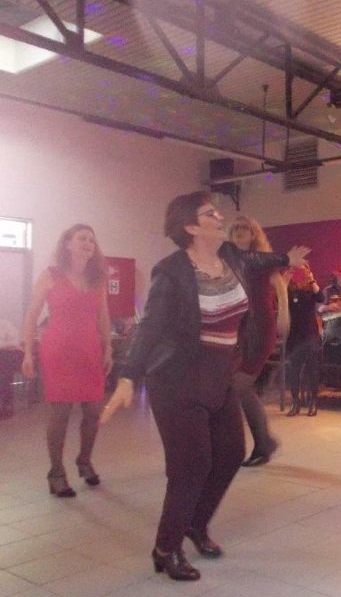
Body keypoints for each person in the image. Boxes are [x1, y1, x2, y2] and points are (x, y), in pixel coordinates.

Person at [101, 191, 309, 582]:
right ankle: (166, 548)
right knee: (191, 466)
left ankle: (195, 524)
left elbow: (257, 259)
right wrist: (128, 375)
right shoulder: (171, 271)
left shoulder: (231, 256)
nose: (219, 217)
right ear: (191, 227)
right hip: (177, 379)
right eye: (209, 213)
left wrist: (286, 259)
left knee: (230, 454)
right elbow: (151, 326)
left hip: (220, 374)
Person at [21, 224, 112, 497]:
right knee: (60, 413)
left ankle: (84, 460)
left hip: (89, 350)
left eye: (92, 240)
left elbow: (103, 316)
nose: (88, 243)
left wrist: (108, 347)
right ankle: (57, 473)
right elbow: (31, 315)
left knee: (93, 411)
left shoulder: (97, 278)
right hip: (58, 351)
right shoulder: (51, 275)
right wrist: (28, 352)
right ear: (68, 244)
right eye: (82, 238)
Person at [228, 216, 289, 467]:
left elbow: (280, 286)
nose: (240, 233)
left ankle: (264, 443)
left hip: (261, 327)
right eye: (236, 229)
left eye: (245, 229)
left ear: (253, 234)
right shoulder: (231, 261)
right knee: (237, 387)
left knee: (239, 386)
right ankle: (264, 442)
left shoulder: (261, 260)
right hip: (242, 329)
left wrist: (284, 313)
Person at [286, 264, 325, 416]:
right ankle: (295, 403)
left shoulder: (310, 290)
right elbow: (279, 298)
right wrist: (286, 278)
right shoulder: (289, 290)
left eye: (302, 271)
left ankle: (313, 402)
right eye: (296, 270)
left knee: (312, 370)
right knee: (293, 370)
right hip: (294, 336)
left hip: (310, 335)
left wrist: (312, 279)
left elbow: (321, 297)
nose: (299, 273)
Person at [0, 319, 23, 420]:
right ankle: (6, 405)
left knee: (5, 361)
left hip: (6, 356)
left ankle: (6, 405)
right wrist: (5, 345)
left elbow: (15, 341)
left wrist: (4, 346)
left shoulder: (4, 324)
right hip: (5, 354)